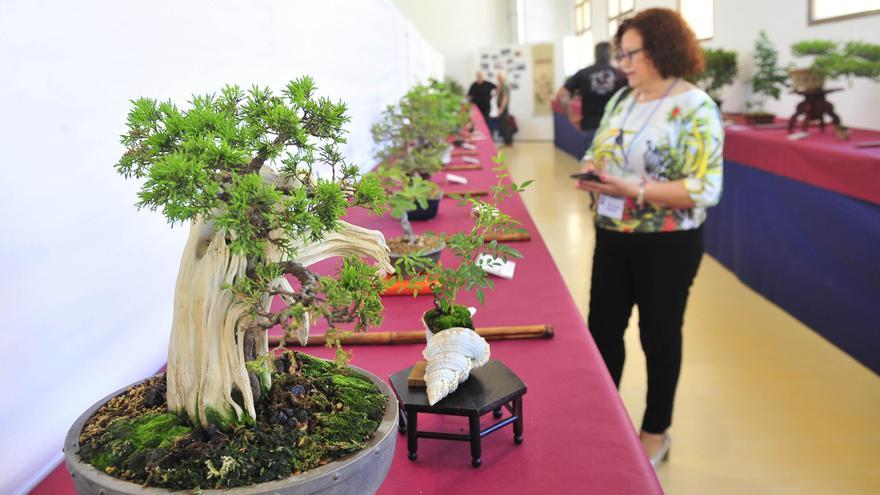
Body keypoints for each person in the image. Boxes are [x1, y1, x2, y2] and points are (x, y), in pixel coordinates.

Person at [574, 8, 723, 468]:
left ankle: (656, 429)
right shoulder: (624, 98)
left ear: (661, 48)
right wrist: (594, 174)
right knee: (603, 329)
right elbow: (600, 148)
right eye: (621, 53)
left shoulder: (695, 106)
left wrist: (632, 189)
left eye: (631, 53)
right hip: (613, 234)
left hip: (668, 243)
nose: (623, 62)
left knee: (659, 337)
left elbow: (705, 188)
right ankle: (606, 417)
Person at [557, 42, 627, 150]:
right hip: (614, 127)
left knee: (591, 164)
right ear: (611, 55)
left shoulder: (583, 73)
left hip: (590, 126)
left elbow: (561, 94)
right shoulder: (620, 75)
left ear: (595, 54)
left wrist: (570, 116)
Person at [496, 71, 513, 146]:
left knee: (505, 125)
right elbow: (497, 94)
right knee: (503, 124)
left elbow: (505, 98)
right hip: (501, 107)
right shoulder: (501, 85)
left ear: (504, 78)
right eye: (498, 78)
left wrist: (501, 109)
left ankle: (508, 142)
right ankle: (506, 141)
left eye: (500, 78)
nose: (499, 79)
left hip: (503, 108)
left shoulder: (505, 86)